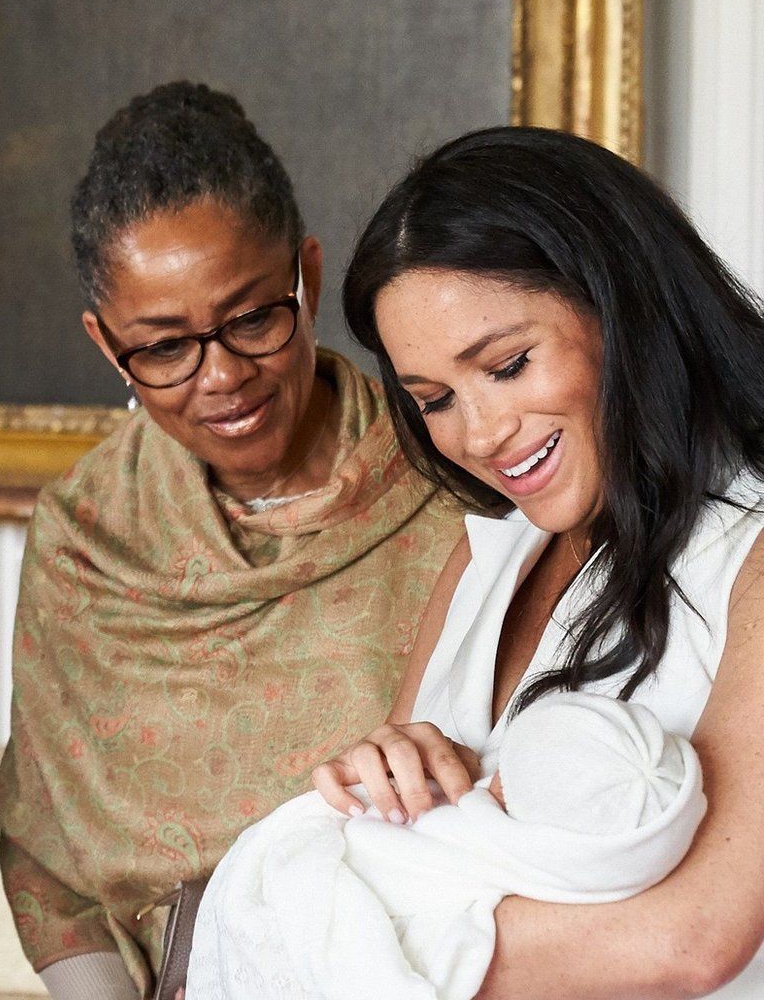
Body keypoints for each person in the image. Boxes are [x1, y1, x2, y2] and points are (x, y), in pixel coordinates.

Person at [0, 82, 465, 1000]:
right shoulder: (84, 540)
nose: (223, 379)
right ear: (105, 345)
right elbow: (46, 858)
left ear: (309, 278)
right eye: (165, 348)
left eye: (253, 319)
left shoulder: (454, 485)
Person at [316, 125, 764, 998]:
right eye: (435, 400)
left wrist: (349, 927)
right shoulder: (489, 549)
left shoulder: (751, 551)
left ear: (623, 306)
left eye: (509, 365)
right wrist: (383, 777)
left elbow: (695, 940)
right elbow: (398, 838)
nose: (479, 435)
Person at [194, 693, 705, 1000]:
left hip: (308, 893)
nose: (494, 778)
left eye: (505, 780)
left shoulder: (481, 862)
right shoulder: (485, 552)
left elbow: (367, 963)